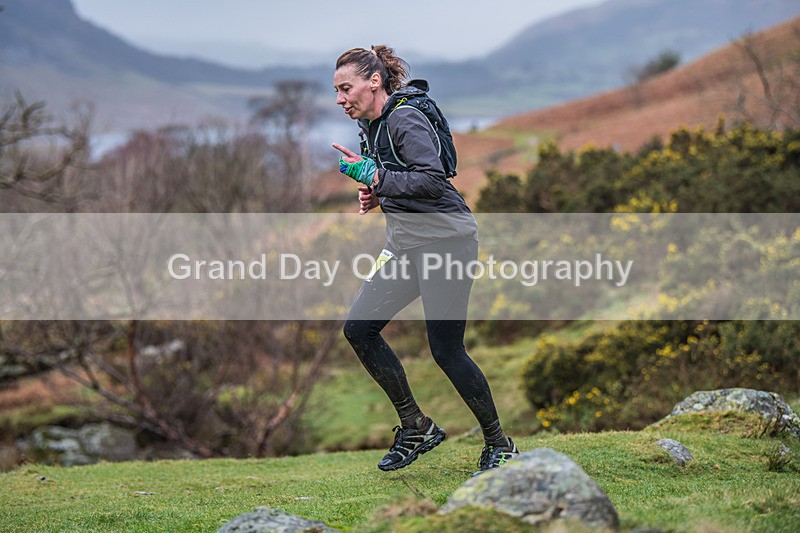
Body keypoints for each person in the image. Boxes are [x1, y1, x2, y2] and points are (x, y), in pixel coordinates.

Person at [332, 45, 518, 476]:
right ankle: (416, 426)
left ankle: (500, 444)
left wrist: (375, 176)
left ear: (373, 82)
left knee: (446, 350)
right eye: (336, 91)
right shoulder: (370, 125)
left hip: (446, 244)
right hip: (404, 247)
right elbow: (400, 178)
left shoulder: (404, 118)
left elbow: (433, 180)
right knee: (358, 329)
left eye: (346, 88)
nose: (340, 99)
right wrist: (376, 192)